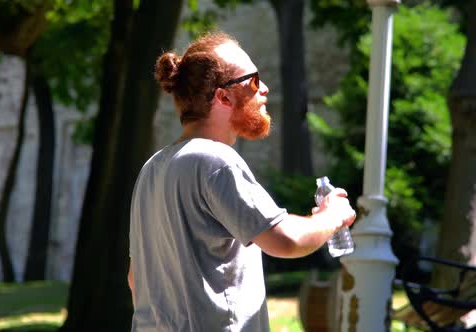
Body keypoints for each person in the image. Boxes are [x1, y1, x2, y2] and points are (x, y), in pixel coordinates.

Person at [128, 31, 356, 332]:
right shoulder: (214, 160)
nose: (265, 90)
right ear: (223, 96)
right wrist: (333, 217)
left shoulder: (152, 169)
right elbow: (286, 239)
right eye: (253, 81)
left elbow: (135, 277)